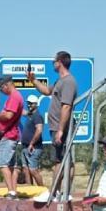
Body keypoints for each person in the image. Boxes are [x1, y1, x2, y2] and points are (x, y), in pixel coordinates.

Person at [29, 51, 77, 197]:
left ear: (60, 62)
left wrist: (61, 130)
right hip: (56, 127)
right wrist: (33, 80)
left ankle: (55, 193)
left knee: (60, 161)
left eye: (54, 61)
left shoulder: (68, 82)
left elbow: (66, 106)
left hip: (60, 128)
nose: (52, 63)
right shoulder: (59, 81)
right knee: (63, 161)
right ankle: (60, 193)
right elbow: (46, 91)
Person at [0, 75, 23, 198]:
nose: (1, 91)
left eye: (1, 88)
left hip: (8, 136)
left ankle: (11, 191)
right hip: (12, 135)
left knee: (2, 164)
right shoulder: (17, 96)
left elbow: (8, 116)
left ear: (6, 85)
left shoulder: (14, 97)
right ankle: (13, 191)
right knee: (11, 166)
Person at [20, 95, 45, 187]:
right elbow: (22, 112)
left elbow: (39, 130)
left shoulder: (37, 116)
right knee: (26, 169)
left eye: (31, 103)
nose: (29, 105)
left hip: (34, 147)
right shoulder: (30, 115)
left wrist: (32, 143)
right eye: (28, 103)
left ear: (36, 104)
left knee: (33, 170)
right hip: (25, 147)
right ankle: (30, 190)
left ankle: (43, 190)